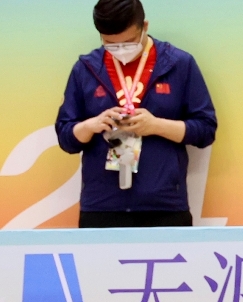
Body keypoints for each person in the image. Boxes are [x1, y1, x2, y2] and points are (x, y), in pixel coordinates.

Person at [55, 0, 217, 228]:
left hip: (164, 205)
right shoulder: (86, 68)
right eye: (110, 44)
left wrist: (156, 126)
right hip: (102, 206)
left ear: (145, 27)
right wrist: (91, 125)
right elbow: (66, 138)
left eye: (129, 42)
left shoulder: (179, 64)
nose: (121, 50)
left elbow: (206, 129)